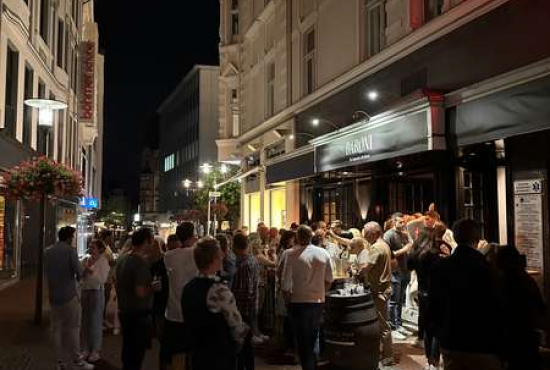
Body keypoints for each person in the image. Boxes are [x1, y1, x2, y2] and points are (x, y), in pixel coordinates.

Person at [430, 219, 504, 370]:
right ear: (476, 240)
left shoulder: (441, 267)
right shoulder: (488, 269)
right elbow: (499, 308)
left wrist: (440, 335)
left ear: (455, 238)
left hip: (452, 341)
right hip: (484, 343)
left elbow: (434, 307)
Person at [182, 237, 249, 370]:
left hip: (198, 352)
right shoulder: (219, 291)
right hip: (218, 355)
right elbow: (236, 326)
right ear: (214, 259)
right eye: (220, 255)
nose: (223, 256)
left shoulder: (188, 287)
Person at [281, 225, 333, 370]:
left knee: (302, 340)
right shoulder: (323, 253)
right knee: (314, 336)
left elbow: (285, 285)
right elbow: (329, 279)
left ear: (297, 237)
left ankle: (308, 366)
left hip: (297, 302)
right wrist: (321, 292)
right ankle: (313, 364)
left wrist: (288, 304)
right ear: (311, 236)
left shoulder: (290, 254)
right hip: (317, 301)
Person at [45, 226, 94, 370]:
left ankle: (59, 362)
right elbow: (80, 274)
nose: (73, 239)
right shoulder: (70, 251)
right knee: (73, 328)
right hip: (69, 296)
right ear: (68, 238)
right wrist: (87, 269)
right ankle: (77, 361)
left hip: (53, 296)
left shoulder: (48, 251)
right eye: (72, 237)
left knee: (56, 329)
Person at [495, 245, 546, 370]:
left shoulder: (499, 283)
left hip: (508, 339)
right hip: (528, 336)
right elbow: (541, 308)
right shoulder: (527, 280)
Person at [116, 228, 159, 370]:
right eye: (152, 240)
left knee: (128, 350)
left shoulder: (123, 259)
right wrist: (153, 288)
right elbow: (140, 292)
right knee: (136, 354)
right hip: (138, 313)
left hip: (125, 311)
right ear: (146, 242)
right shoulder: (140, 263)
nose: (153, 244)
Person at [407, 222, 448, 370]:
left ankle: (428, 361)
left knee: (426, 327)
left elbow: (409, 266)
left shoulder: (416, 253)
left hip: (422, 293)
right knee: (436, 327)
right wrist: (447, 256)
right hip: (436, 294)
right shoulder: (434, 254)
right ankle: (435, 361)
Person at [161, 222, 198, 369]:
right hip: (192, 311)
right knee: (191, 352)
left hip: (173, 311)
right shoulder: (196, 253)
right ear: (192, 236)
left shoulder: (168, 256)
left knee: (169, 353)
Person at [358, 222, 394, 367]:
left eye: (366, 233)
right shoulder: (384, 245)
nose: (365, 236)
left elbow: (367, 268)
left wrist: (358, 272)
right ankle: (383, 352)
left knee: (383, 325)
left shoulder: (375, 248)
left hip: (378, 290)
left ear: (373, 233)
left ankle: (388, 356)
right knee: (383, 323)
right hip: (384, 288)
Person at [231, 233, 260, 370]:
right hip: (250, 308)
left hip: (243, 310)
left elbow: (245, 291)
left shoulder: (243, 264)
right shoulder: (252, 260)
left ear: (234, 246)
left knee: (242, 347)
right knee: (247, 348)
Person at [383, 212, 413, 339]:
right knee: (394, 301)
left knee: (400, 300)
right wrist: (405, 249)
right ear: (394, 221)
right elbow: (389, 254)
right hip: (395, 272)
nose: (403, 224)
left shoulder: (404, 234)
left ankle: (399, 323)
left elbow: (411, 247)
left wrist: (409, 238)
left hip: (405, 270)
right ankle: (392, 326)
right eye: (400, 222)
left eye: (404, 222)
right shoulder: (388, 235)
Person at [81, 239, 111, 363]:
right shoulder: (86, 259)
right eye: (90, 246)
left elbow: (101, 280)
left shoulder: (103, 262)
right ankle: (86, 348)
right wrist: (83, 272)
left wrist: (90, 271)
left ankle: (95, 350)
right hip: (85, 291)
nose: (91, 249)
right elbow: (81, 276)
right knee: (85, 321)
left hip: (96, 292)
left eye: (93, 247)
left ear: (100, 249)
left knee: (95, 321)